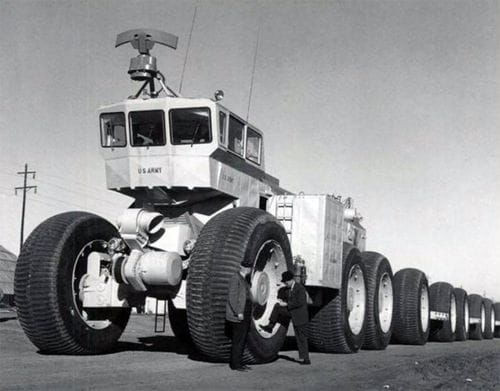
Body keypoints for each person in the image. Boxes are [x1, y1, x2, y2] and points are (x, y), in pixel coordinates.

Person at [261, 271, 310, 365]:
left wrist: (287, 304)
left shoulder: (300, 288)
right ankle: (270, 326)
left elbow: (300, 302)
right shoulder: (288, 289)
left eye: (286, 282)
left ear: (291, 280)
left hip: (300, 316)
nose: (285, 283)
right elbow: (284, 295)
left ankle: (306, 359)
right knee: (277, 307)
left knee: (301, 338)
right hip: (291, 312)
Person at [226, 264, 252, 371]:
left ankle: (240, 362)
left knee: (242, 340)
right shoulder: (235, 278)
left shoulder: (244, 279)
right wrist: (238, 312)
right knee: (238, 341)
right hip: (239, 315)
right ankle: (235, 365)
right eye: (249, 268)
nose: (250, 270)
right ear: (244, 268)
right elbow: (232, 297)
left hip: (245, 314)